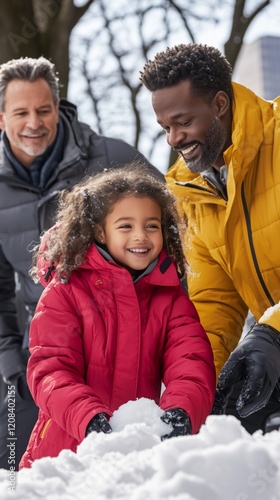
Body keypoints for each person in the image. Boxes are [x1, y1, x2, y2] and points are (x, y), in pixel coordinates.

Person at [0, 56, 162, 470]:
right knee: (23, 469)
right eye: (21, 112)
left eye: (43, 109)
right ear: (2, 117)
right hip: (43, 352)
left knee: (124, 466)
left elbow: (175, 241)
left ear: (59, 107)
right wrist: (11, 363)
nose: (33, 123)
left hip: (124, 343)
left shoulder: (112, 158)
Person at [18, 165, 216, 468]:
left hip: (139, 449)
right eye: (125, 226)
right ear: (100, 231)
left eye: (152, 226)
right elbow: (50, 369)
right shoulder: (66, 292)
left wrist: (182, 411)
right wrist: (88, 418)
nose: (141, 236)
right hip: (67, 450)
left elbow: (190, 361)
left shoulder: (170, 296)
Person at [140, 43, 280, 434]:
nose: (173, 139)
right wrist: (196, 391)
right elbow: (213, 306)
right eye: (165, 127)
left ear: (219, 103)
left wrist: (273, 333)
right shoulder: (192, 193)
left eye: (182, 121)